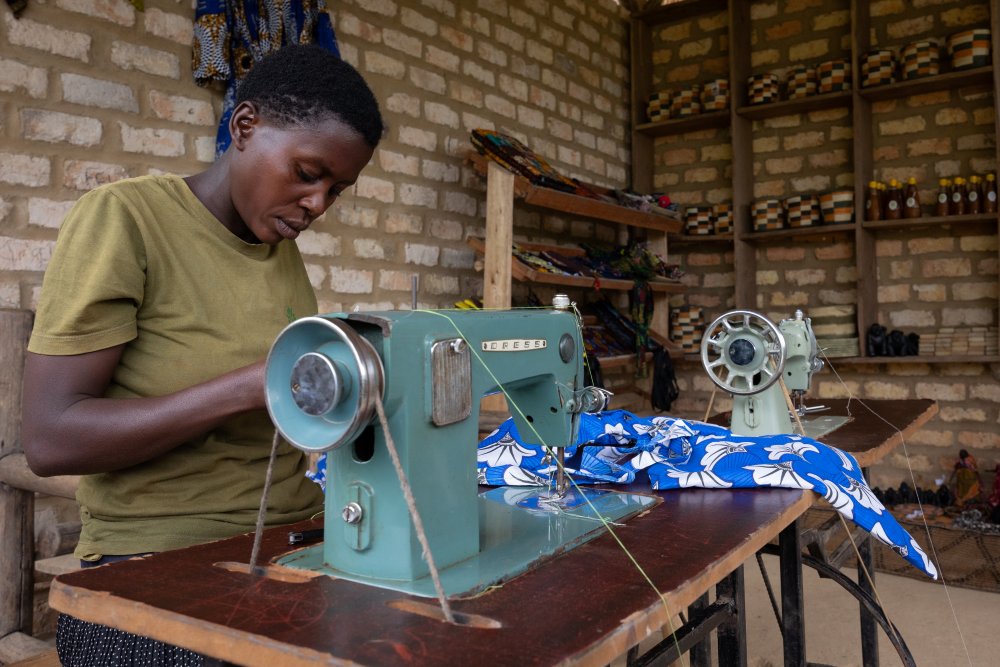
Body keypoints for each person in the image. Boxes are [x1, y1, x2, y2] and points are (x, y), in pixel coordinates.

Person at [22, 44, 384, 666]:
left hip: (291, 544)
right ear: (245, 126)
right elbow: (52, 440)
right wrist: (252, 386)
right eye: (306, 173)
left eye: (337, 190)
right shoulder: (127, 218)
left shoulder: (278, 248)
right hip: (155, 570)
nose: (318, 204)